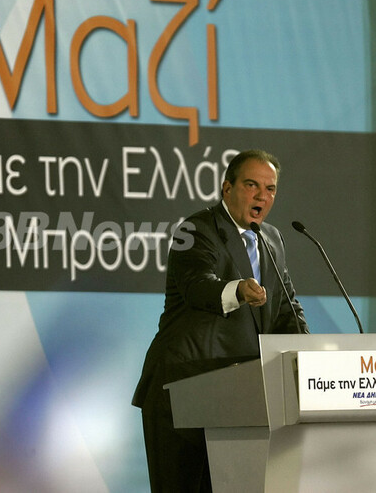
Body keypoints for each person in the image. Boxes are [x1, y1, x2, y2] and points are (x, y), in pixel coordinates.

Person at [132, 149, 308, 492]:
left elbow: (287, 309)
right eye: (251, 185)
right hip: (182, 389)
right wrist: (238, 290)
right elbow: (197, 286)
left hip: (240, 399)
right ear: (227, 188)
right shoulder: (196, 230)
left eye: (270, 188)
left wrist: (309, 355)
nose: (262, 196)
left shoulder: (272, 239)